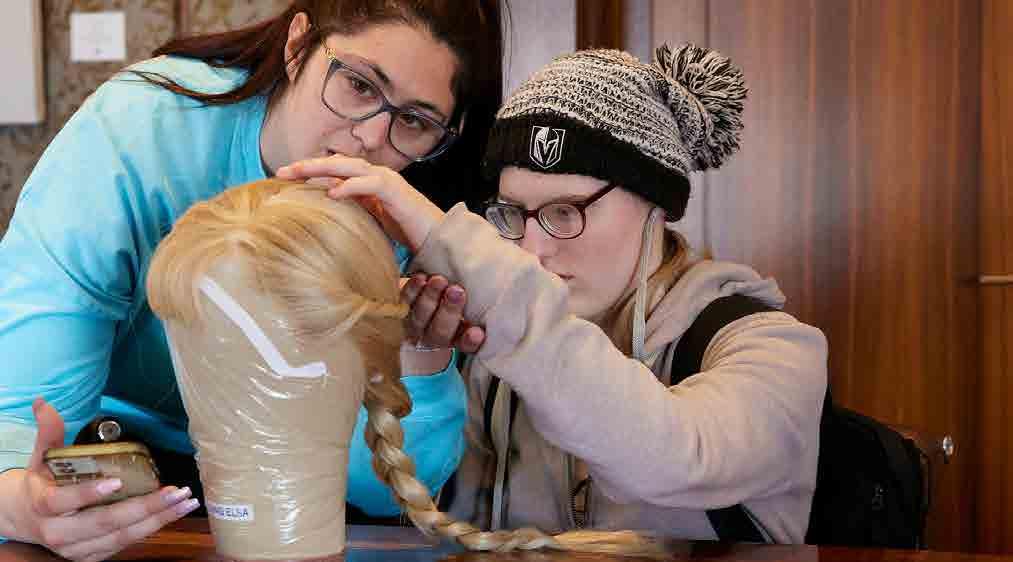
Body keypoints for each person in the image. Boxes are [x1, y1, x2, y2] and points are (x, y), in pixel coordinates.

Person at [0, 1, 502, 559]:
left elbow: (385, 492)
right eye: (359, 85)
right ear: (298, 46)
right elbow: (19, 417)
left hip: (301, 497)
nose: (370, 139)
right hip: (122, 461)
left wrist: (417, 356)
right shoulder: (143, 131)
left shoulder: (412, 220)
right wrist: (24, 503)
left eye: (414, 121)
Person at [279, 44, 829, 544]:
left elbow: (676, 459)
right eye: (512, 214)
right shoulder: (491, 355)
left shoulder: (773, 348)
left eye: (565, 212)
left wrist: (447, 238)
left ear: (657, 207)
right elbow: (403, 511)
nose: (532, 249)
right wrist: (423, 358)